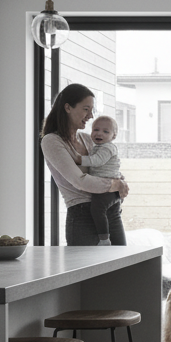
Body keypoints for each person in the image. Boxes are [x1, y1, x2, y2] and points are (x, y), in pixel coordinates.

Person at [39, 83, 129, 246]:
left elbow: (107, 166)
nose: (91, 116)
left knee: (123, 262)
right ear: (68, 107)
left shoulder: (88, 139)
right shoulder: (52, 141)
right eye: (86, 109)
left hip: (111, 210)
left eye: (92, 110)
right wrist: (115, 184)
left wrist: (120, 181)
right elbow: (80, 181)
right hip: (82, 216)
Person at [76, 114, 122, 246]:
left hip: (108, 188)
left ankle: (104, 239)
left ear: (113, 136)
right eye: (96, 129)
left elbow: (97, 161)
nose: (99, 133)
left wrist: (79, 159)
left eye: (105, 131)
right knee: (109, 213)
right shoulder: (99, 147)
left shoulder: (107, 147)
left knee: (97, 210)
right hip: (109, 187)